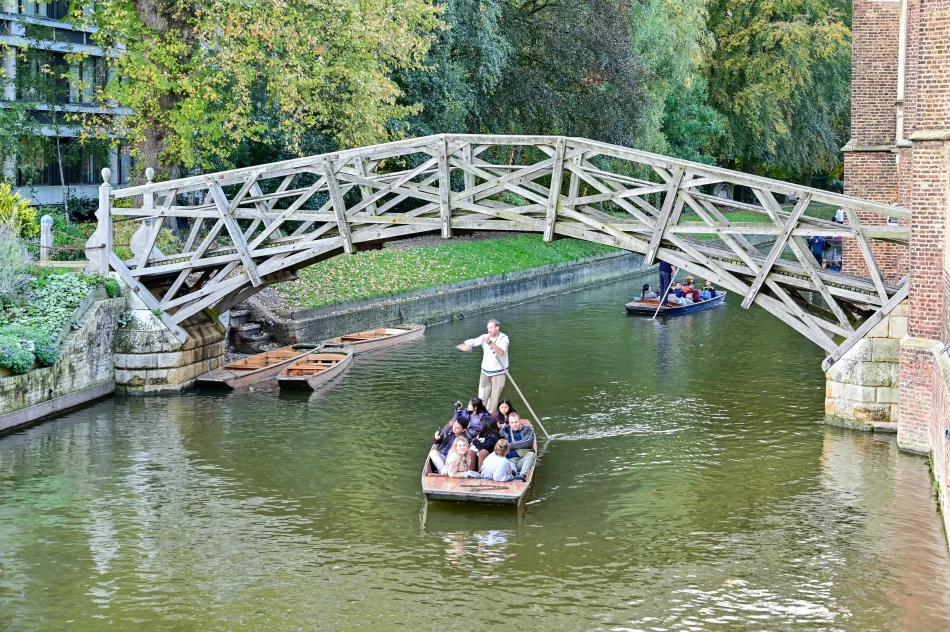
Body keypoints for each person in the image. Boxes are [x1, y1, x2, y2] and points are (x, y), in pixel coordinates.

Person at [456, 319, 510, 413]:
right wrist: (467, 345)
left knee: (494, 398)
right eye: (488, 328)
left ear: (497, 328)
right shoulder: (485, 337)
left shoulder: (504, 338)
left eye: (491, 328)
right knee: (482, 396)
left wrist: (490, 343)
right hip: (485, 371)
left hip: (499, 372)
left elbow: (501, 352)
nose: (489, 330)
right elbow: (474, 341)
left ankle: (489, 416)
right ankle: (480, 414)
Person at [500, 412, 536, 476]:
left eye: (516, 422)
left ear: (520, 421)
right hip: (506, 460)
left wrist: (507, 445)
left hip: (521, 461)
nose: (514, 424)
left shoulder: (527, 430)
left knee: (532, 455)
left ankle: (522, 476)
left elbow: (526, 443)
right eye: (512, 423)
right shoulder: (504, 430)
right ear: (509, 423)